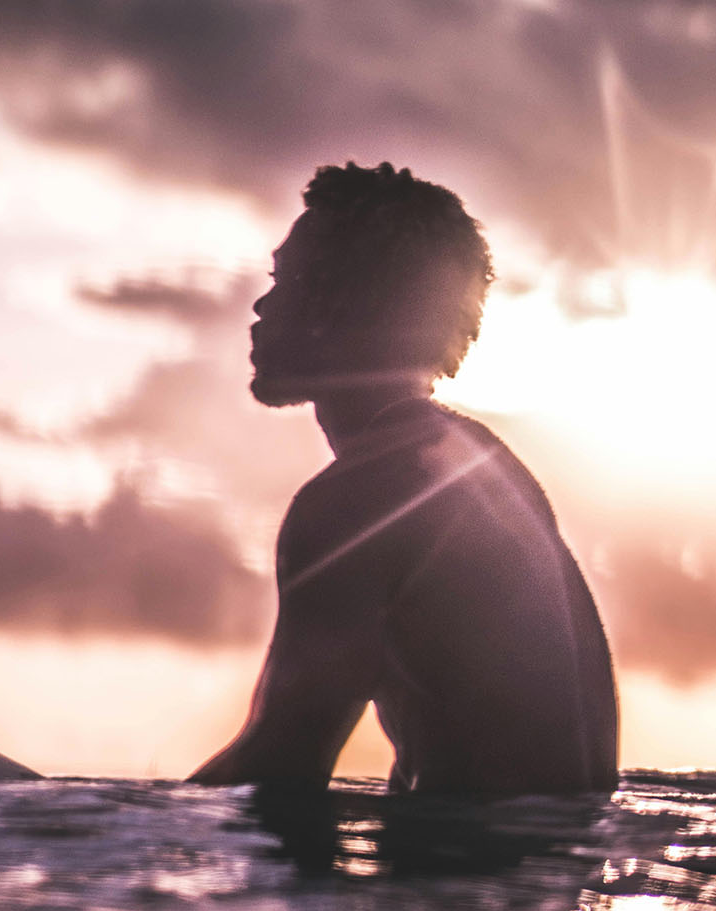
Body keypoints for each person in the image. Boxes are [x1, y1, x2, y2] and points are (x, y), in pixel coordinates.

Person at [188, 162, 617, 795]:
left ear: (352, 305)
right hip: (558, 878)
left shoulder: (358, 503)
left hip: (474, 883)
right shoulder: (479, 462)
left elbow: (278, 774)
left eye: (288, 280)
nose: (262, 304)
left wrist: (102, 842)